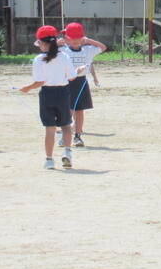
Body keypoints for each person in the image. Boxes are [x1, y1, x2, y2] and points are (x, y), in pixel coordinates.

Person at [19, 25, 86, 169]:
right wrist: (78, 70)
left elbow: (39, 82)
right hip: (63, 93)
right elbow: (72, 77)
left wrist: (27, 88)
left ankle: (49, 160)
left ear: (42, 43)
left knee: (50, 129)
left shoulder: (39, 59)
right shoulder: (64, 57)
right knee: (66, 126)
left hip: (47, 94)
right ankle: (67, 153)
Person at [57, 22, 107, 147]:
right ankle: (65, 136)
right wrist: (56, 43)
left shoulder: (87, 50)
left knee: (80, 110)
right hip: (67, 82)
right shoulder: (63, 51)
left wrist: (88, 40)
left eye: (78, 37)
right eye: (71, 37)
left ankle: (77, 136)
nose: (75, 40)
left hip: (81, 82)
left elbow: (103, 47)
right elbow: (47, 50)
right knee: (68, 110)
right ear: (66, 38)